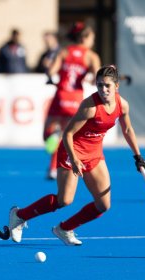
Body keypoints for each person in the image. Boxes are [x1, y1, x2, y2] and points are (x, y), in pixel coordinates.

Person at [9, 65, 145, 246]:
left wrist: (137, 156)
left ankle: (64, 228)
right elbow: (67, 134)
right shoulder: (90, 107)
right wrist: (74, 159)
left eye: (107, 86)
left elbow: (128, 129)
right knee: (64, 200)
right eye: (99, 85)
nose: (103, 90)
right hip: (71, 151)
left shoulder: (122, 105)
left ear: (116, 86)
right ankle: (19, 215)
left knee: (103, 205)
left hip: (94, 154)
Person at [43, 22, 101, 180]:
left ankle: (52, 164)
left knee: (48, 135)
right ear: (84, 38)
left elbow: (51, 71)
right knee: (67, 136)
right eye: (92, 38)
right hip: (75, 99)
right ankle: (56, 169)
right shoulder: (91, 56)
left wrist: (49, 75)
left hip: (60, 96)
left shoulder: (64, 52)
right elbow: (98, 79)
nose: (93, 42)